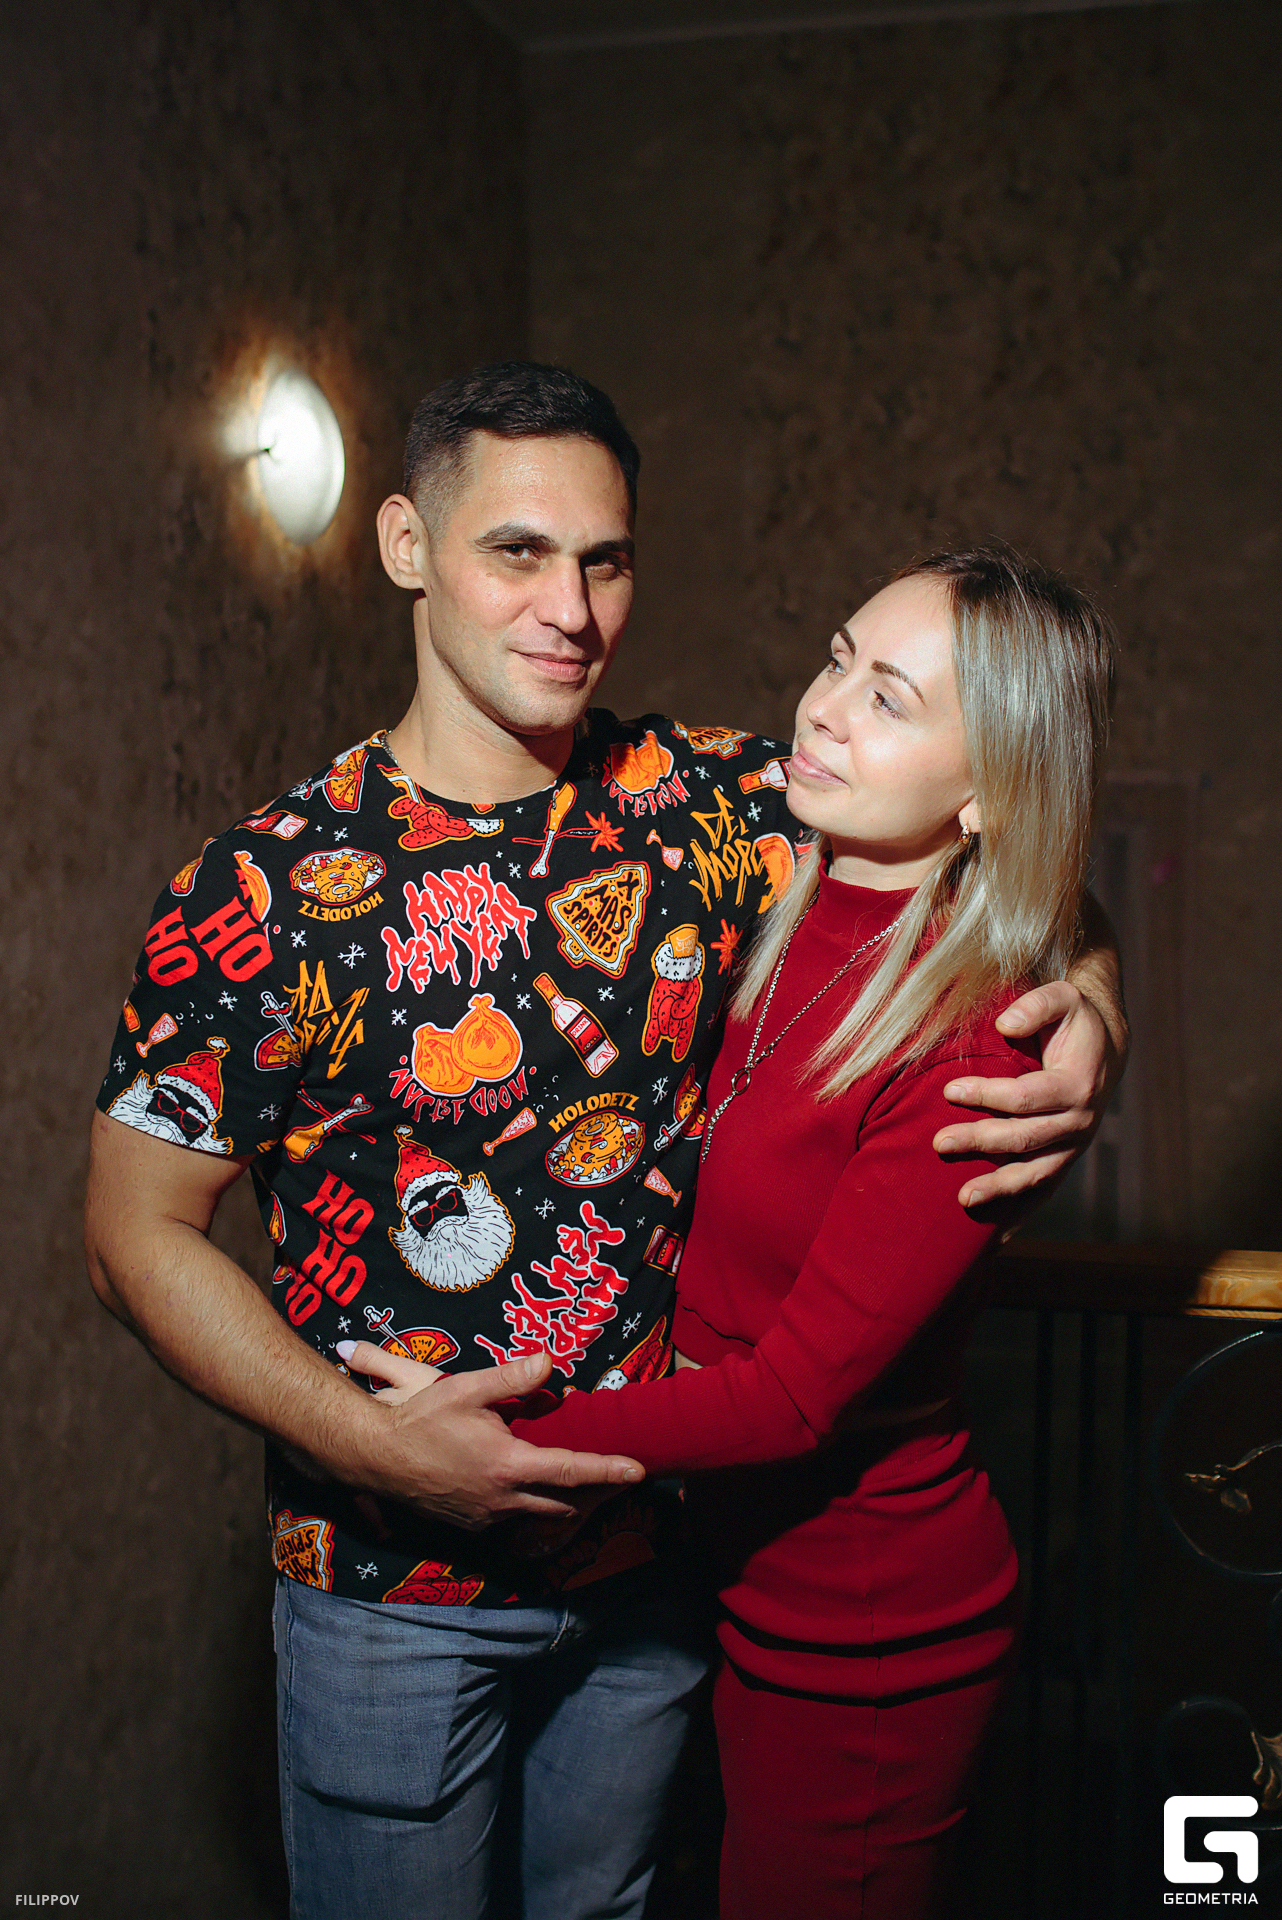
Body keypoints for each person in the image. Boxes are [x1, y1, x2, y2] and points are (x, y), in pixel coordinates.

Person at [85, 363, 1125, 1920]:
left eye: (605, 560)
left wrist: (1090, 1002)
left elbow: (1000, 842)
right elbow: (132, 1238)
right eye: (517, 551)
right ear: (406, 546)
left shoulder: (714, 805)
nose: (569, 609)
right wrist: (369, 1444)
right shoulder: (260, 891)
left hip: (656, 1585)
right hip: (393, 1595)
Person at [343, 544, 1117, 1917]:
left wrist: (494, 1435)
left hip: (865, 1626)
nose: (823, 708)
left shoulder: (970, 1048)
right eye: (838, 660)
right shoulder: (784, 861)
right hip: (728, 1576)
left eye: (888, 698)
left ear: (989, 791)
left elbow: (795, 1397)